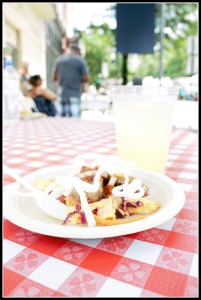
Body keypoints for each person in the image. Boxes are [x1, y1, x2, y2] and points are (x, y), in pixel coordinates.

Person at [52, 44, 90, 117]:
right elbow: (86, 78)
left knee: (61, 121)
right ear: (79, 52)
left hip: (61, 94)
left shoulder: (59, 60)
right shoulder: (80, 61)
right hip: (74, 94)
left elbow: (54, 77)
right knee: (74, 122)